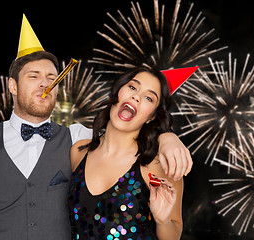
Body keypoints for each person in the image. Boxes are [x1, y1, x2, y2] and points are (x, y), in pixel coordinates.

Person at [0, 15, 192, 240]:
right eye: (34, 77)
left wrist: (167, 137)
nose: (45, 84)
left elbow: (125, 138)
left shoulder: (77, 140)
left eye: (52, 78)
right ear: (13, 86)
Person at [69, 66, 193, 239]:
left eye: (149, 97)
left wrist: (163, 221)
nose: (136, 96)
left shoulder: (158, 166)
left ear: (151, 117)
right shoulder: (78, 151)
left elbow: (174, 234)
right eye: (133, 87)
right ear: (118, 92)